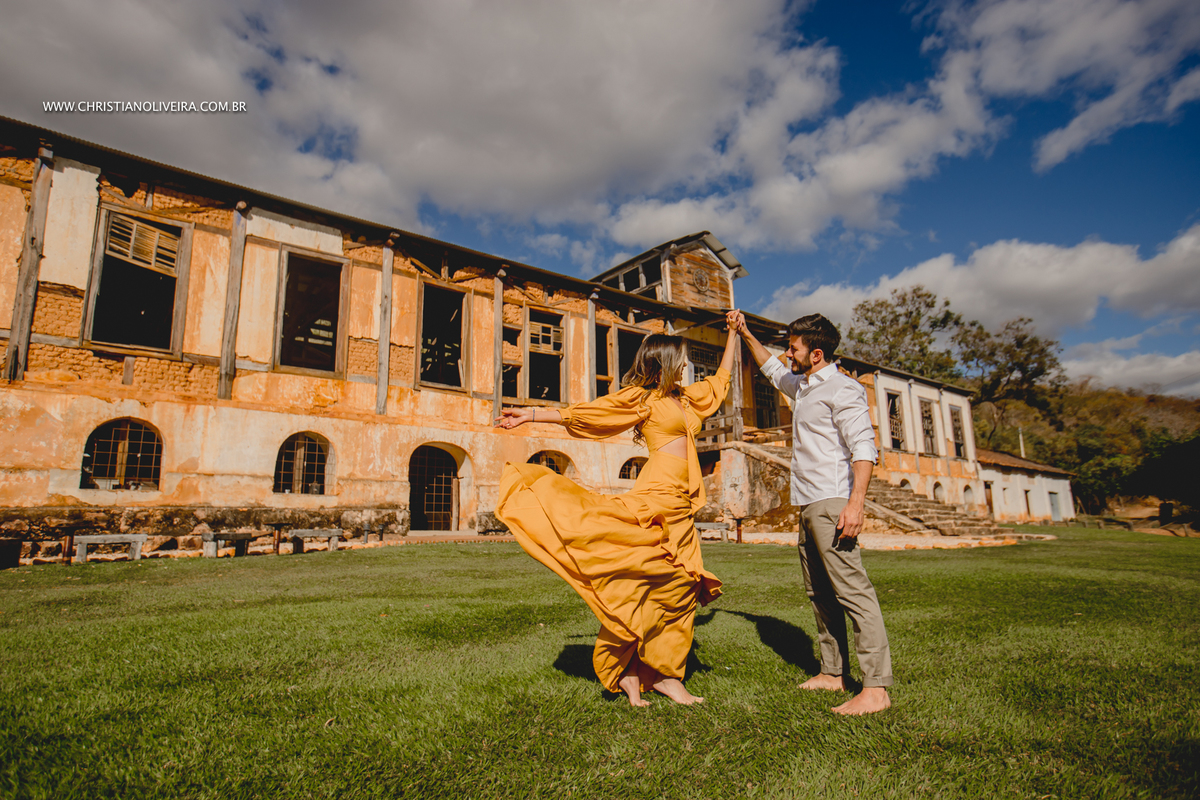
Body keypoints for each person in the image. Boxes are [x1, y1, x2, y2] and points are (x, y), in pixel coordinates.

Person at [494, 329, 738, 707]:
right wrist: (530, 414)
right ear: (664, 363)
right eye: (681, 359)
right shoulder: (643, 398)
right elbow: (591, 413)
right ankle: (641, 673)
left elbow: (721, 380)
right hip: (656, 497)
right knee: (647, 581)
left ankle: (657, 675)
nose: (687, 365)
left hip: (681, 504)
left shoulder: (686, 398)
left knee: (681, 589)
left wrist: (734, 333)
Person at [728, 309, 892, 715]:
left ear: (816, 353)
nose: (788, 353)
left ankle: (876, 688)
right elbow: (769, 368)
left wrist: (856, 504)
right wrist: (745, 332)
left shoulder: (843, 389)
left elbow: (864, 448)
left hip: (833, 501)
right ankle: (832, 674)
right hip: (808, 503)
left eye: (794, 347)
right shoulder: (803, 387)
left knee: (853, 592)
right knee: (819, 593)